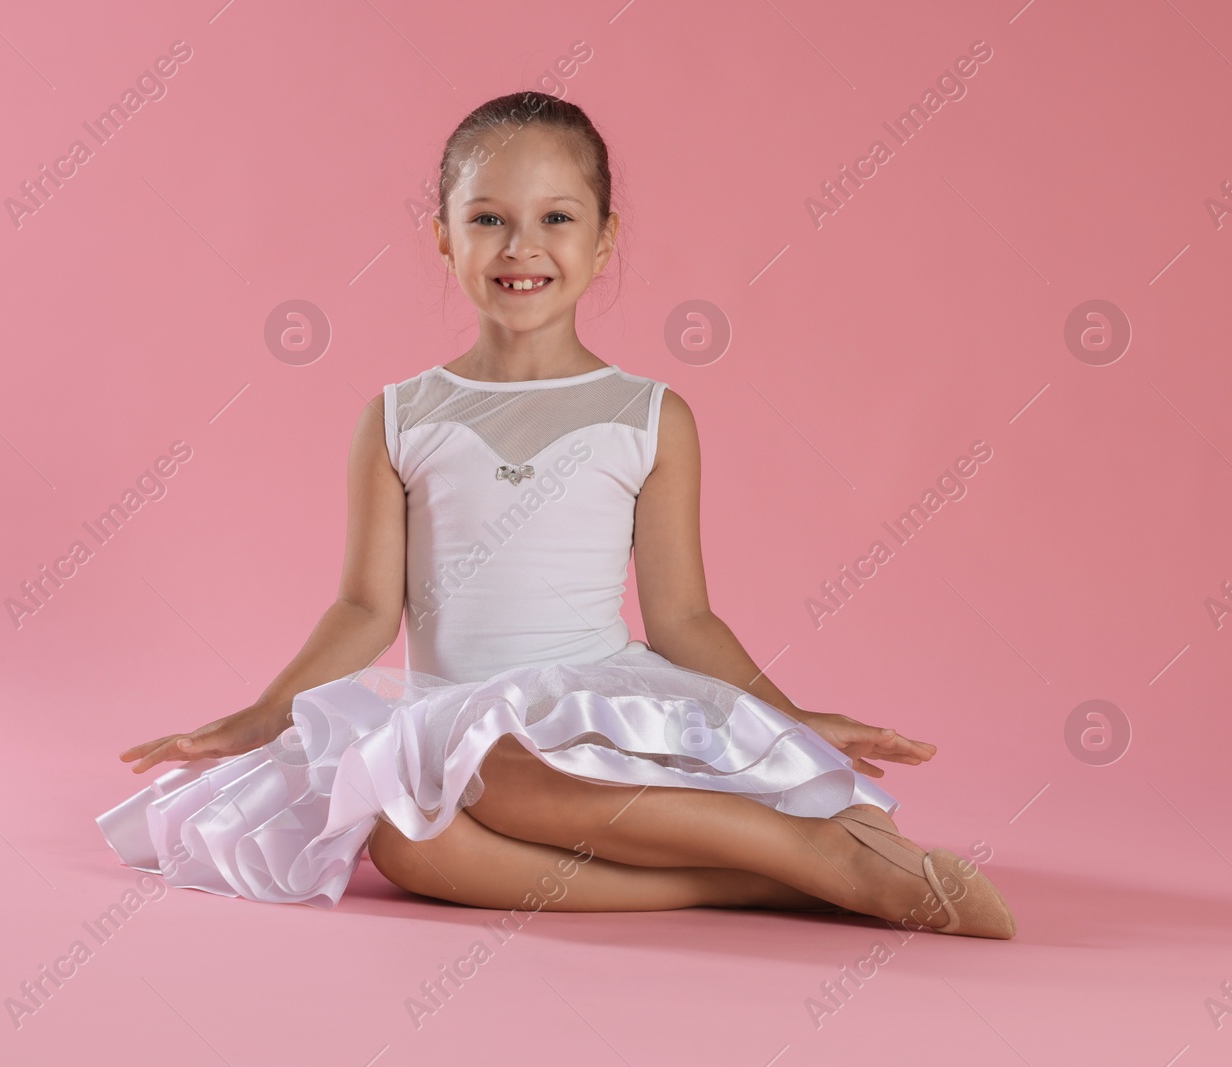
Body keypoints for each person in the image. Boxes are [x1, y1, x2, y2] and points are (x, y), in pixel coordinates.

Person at [96, 91, 1016, 939]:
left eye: (556, 220)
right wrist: (261, 714)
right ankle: (775, 878)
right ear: (443, 239)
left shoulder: (647, 417)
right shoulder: (400, 416)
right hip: (456, 713)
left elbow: (684, 618)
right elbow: (367, 610)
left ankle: (832, 857)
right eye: (487, 219)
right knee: (410, 842)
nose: (519, 247)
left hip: (592, 708)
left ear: (604, 240)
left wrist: (792, 722)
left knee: (493, 768)